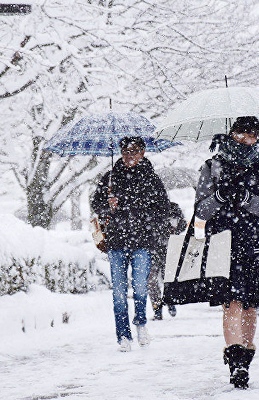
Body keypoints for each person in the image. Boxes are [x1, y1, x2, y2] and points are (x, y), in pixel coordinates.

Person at [194, 116, 259, 389]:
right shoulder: (213, 166)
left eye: (252, 134)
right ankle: (236, 364)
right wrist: (220, 196)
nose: (246, 139)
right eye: (241, 134)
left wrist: (247, 199)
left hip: (255, 242)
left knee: (250, 304)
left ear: (258, 135)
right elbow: (200, 210)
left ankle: (246, 356)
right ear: (231, 134)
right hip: (223, 242)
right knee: (231, 303)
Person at [90, 136, 170, 352]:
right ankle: (123, 335)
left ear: (143, 152)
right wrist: (108, 205)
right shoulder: (110, 178)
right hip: (116, 242)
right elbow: (96, 204)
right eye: (125, 151)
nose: (129, 156)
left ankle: (141, 323)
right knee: (118, 292)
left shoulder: (151, 179)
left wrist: (143, 214)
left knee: (141, 287)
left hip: (142, 242)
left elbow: (163, 208)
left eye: (134, 151)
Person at [148, 201, 187, 320]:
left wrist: (174, 228)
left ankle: (169, 302)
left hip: (167, 248)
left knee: (166, 278)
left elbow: (183, 224)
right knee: (152, 281)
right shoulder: (146, 207)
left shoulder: (172, 207)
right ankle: (158, 308)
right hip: (153, 248)